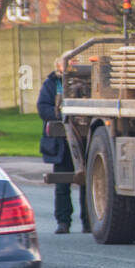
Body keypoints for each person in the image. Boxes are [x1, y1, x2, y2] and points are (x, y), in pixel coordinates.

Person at [38, 58, 88, 234]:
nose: (69, 67)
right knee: (62, 185)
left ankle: (88, 223)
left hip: (84, 140)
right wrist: (60, 114)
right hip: (61, 143)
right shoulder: (52, 83)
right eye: (66, 63)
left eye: (73, 63)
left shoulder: (85, 82)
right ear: (58, 66)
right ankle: (63, 222)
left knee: (87, 182)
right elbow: (42, 107)